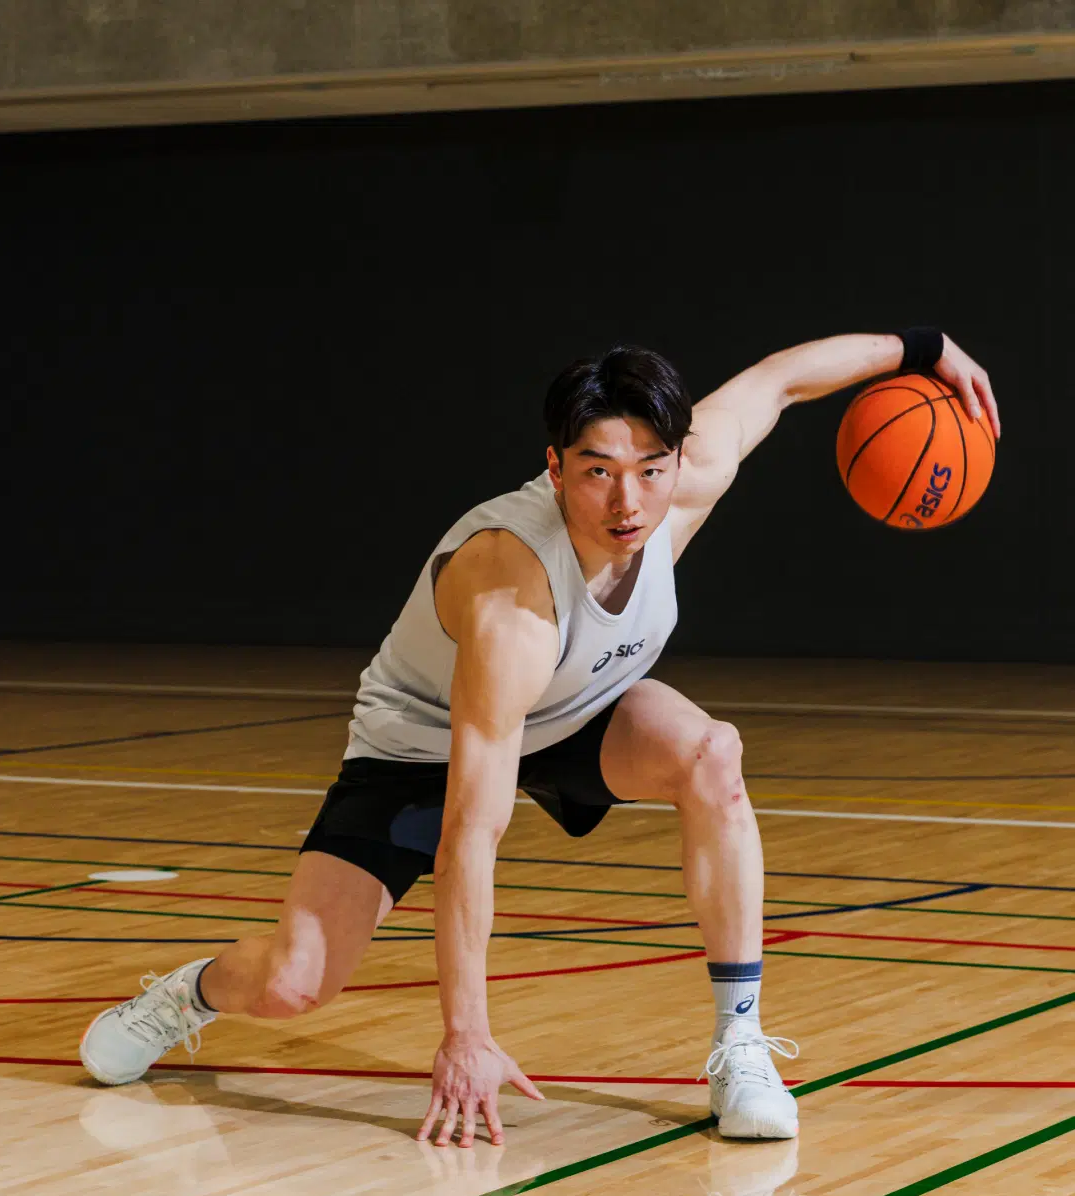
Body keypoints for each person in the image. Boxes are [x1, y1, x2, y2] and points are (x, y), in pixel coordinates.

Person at [80, 327, 1000, 1146]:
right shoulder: (511, 594)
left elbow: (781, 380)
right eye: (598, 470)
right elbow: (470, 833)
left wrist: (926, 350)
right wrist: (466, 1036)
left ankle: (740, 1042)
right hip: (421, 749)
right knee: (295, 983)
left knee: (710, 752)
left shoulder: (684, 482)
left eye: (649, 467)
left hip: (574, 713)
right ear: (556, 469)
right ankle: (187, 994)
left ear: (680, 459)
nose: (627, 499)